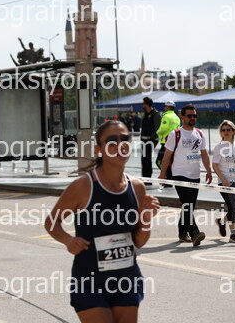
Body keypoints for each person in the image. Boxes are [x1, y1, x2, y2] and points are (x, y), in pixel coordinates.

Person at [45, 120, 160, 323]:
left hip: (126, 278)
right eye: (112, 141)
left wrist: (146, 219)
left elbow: (139, 242)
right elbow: (51, 222)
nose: (120, 145)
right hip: (90, 281)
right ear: (99, 149)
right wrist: (68, 240)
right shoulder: (84, 186)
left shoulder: (137, 187)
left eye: (124, 139)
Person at [158, 105, 212, 246]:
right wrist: (162, 174)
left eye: (194, 116)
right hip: (179, 174)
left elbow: (204, 154)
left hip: (195, 175)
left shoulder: (199, 133)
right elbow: (167, 156)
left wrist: (208, 170)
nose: (192, 118)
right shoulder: (175, 134)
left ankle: (182, 233)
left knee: (189, 206)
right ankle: (195, 233)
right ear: (182, 116)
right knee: (187, 205)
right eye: (189, 116)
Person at [212, 120, 235, 242]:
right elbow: (215, 166)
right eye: (223, 130)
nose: (226, 132)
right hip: (225, 182)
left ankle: (222, 221)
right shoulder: (219, 147)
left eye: (228, 130)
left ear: (233, 131)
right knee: (233, 207)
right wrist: (224, 180)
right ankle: (233, 234)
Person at [155, 101, 181, 175]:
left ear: (167, 107)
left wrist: (157, 133)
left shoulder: (166, 116)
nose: (164, 108)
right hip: (175, 143)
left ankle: (167, 175)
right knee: (171, 162)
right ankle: (170, 175)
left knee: (159, 161)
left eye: (165, 106)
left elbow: (163, 129)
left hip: (165, 143)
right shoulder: (177, 118)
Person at [140, 97, 161, 183]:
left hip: (150, 140)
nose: (142, 105)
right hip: (144, 140)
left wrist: (151, 138)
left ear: (147, 104)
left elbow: (157, 128)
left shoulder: (155, 114)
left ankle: (147, 178)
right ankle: (145, 177)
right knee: (144, 158)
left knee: (146, 158)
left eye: (143, 104)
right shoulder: (146, 114)